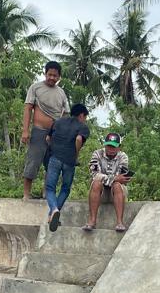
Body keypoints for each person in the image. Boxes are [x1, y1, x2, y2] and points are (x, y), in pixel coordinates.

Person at [21, 61, 69, 201]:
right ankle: (26, 194)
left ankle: (46, 194)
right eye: (50, 74)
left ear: (59, 77)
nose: (52, 78)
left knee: (52, 166)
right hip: (39, 131)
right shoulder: (35, 88)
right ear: (45, 74)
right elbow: (28, 108)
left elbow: (65, 114)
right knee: (33, 162)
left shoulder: (61, 93)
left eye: (55, 75)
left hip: (55, 135)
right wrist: (25, 130)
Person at [45, 103, 90, 231]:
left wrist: (54, 148)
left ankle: (53, 210)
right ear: (81, 115)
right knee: (65, 188)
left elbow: (48, 138)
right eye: (85, 117)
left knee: (50, 188)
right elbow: (78, 140)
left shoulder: (58, 122)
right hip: (69, 162)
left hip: (54, 158)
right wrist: (76, 154)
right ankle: (54, 212)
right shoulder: (83, 127)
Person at [84, 132, 131, 233]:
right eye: (108, 146)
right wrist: (114, 178)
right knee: (96, 183)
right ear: (105, 145)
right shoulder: (97, 154)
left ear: (119, 147)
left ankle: (119, 222)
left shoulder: (123, 157)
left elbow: (121, 178)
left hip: (117, 192)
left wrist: (110, 179)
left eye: (113, 147)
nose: (110, 149)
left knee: (117, 185)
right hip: (101, 193)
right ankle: (92, 221)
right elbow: (95, 174)